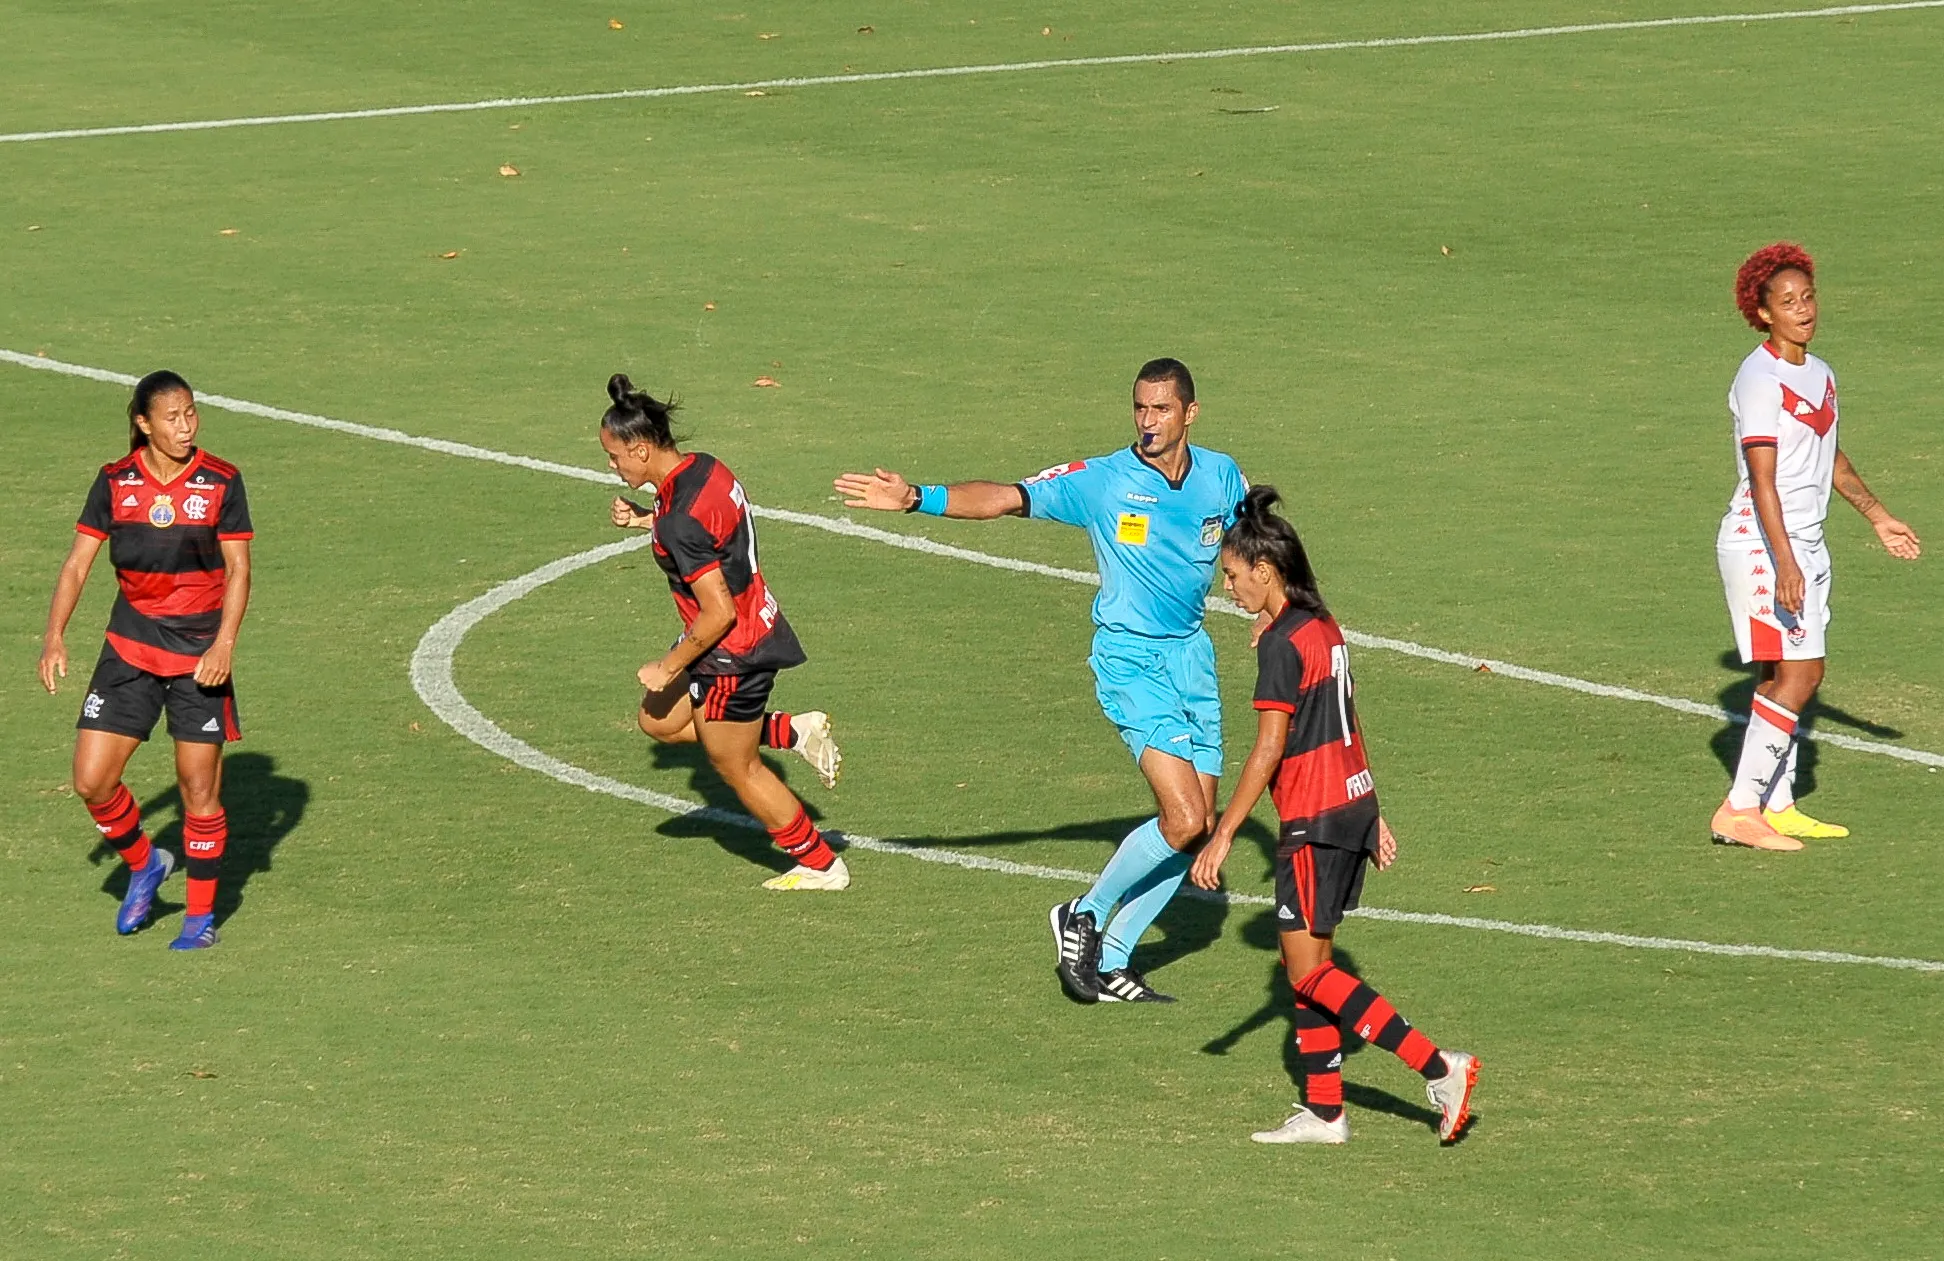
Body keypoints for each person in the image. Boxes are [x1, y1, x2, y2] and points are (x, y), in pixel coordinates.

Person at [837, 358, 1247, 1002]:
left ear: (1190, 413)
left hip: (1193, 659)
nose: (1147, 421)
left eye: (1161, 409)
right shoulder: (1103, 481)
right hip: (1131, 660)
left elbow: (1251, 547)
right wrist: (917, 497)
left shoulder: (1222, 476)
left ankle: (1112, 959)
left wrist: (1273, 610)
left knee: (1199, 825)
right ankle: (1083, 913)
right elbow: (1006, 497)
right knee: (1184, 815)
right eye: (1139, 407)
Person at [1191, 487, 1477, 1144]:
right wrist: (1371, 811)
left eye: (1232, 575)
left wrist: (1224, 834)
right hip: (1349, 804)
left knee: (1309, 971)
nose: (1227, 588)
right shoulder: (1321, 625)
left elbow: (1269, 747)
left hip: (1313, 818)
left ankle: (1441, 1068)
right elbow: (1347, 719)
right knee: (1307, 969)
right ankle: (1326, 1113)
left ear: (1266, 570)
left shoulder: (1282, 644)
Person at [1711, 243, 1922, 851]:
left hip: (1806, 541)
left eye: (1807, 297)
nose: (1803, 310)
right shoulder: (1759, 379)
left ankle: (1777, 807)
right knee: (1805, 672)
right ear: (1762, 313)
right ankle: (1739, 810)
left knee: (1782, 671)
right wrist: (1784, 562)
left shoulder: (1821, 373)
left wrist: (1878, 515)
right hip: (1764, 544)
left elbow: (1828, 454)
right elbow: (1763, 478)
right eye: (1787, 302)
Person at [600, 374, 847, 890]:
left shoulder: (679, 522)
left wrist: (668, 665)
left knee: (737, 766)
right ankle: (793, 731)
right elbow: (707, 527)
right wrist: (647, 520)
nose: (612, 466)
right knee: (659, 720)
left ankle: (821, 865)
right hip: (750, 623)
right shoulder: (705, 469)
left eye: (615, 456)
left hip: (732, 650)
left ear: (641, 450)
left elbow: (718, 613)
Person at [38, 370, 253, 950]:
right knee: (91, 780)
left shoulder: (221, 481)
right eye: (173, 417)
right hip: (129, 647)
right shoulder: (115, 482)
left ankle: (198, 920)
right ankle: (147, 863)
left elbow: (238, 571)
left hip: (199, 656)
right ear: (144, 423)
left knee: (197, 791)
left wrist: (224, 645)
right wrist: (55, 635)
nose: (187, 426)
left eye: (191, 413)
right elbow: (78, 563)